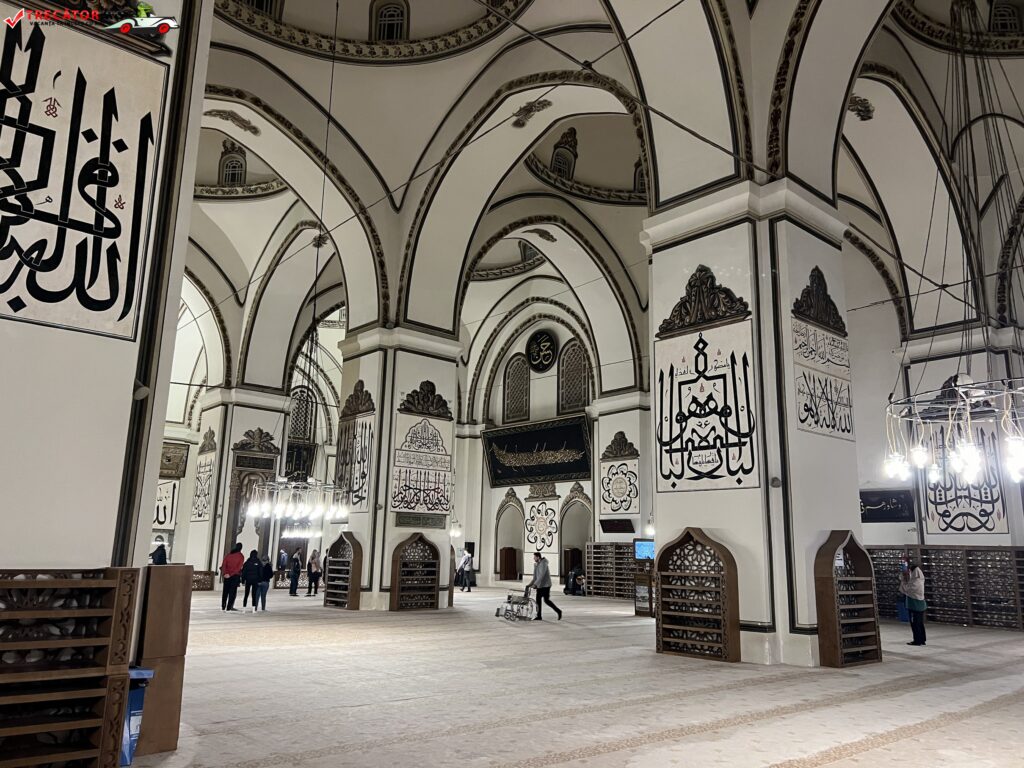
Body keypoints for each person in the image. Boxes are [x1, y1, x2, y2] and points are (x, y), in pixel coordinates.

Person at [899, 556, 927, 646]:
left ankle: (917, 640)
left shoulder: (915, 582)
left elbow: (906, 589)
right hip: (920, 605)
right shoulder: (920, 580)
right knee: (920, 623)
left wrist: (903, 580)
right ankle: (922, 639)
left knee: (915, 623)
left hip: (914, 605)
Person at [526, 551, 561, 621]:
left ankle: (558, 611)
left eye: (534, 557)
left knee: (546, 600)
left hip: (546, 585)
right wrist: (529, 584)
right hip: (540, 586)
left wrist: (535, 584)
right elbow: (535, 577)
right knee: (538, 600)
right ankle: (539, 616)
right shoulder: (536, 565)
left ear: (538, 557)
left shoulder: (543, 564)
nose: (533, 558)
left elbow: (541, 576)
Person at [220, 543, 245, 611]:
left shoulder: (229, 555)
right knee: (232, 592)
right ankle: (229, 607)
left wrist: (225, 573)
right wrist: (231, 574)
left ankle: (223, 606)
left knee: (225, 591)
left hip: (226, 576)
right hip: (235, 576)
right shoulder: (241, 556)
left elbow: (224, 564)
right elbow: (238, 568)